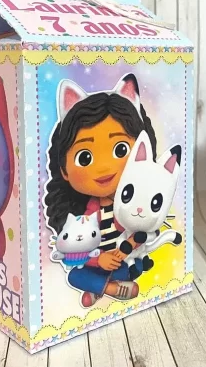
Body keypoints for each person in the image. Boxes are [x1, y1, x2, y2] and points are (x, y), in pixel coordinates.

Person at [44, 74, 158, 307]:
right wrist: (99, 260)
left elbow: (141, 233)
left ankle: (99, 288)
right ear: (64, 169)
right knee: (76, 275)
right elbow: (77, 251)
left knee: (129, 268)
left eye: (120, 150)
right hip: (98, 260)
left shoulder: (134, 204)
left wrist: (125, 251)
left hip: (124, 259)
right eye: (85, 157)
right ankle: (111, 288)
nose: (104, 167)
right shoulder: (82, 215)